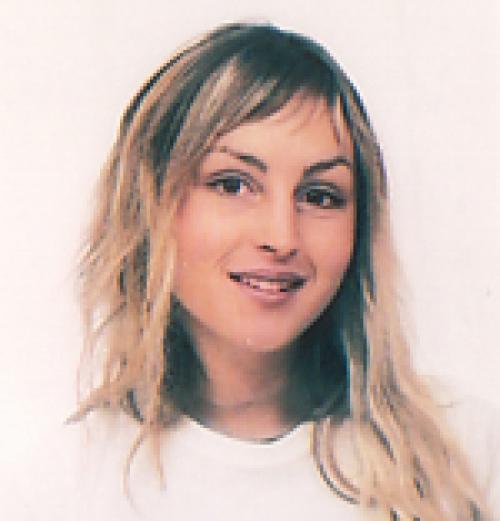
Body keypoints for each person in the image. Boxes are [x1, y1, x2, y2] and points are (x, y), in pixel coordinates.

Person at [70, 22, 496, 520]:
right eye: (233, 184)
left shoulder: (462, 454)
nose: (282, 236)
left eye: (320, 196)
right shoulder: (62, 486)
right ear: (149, 205)